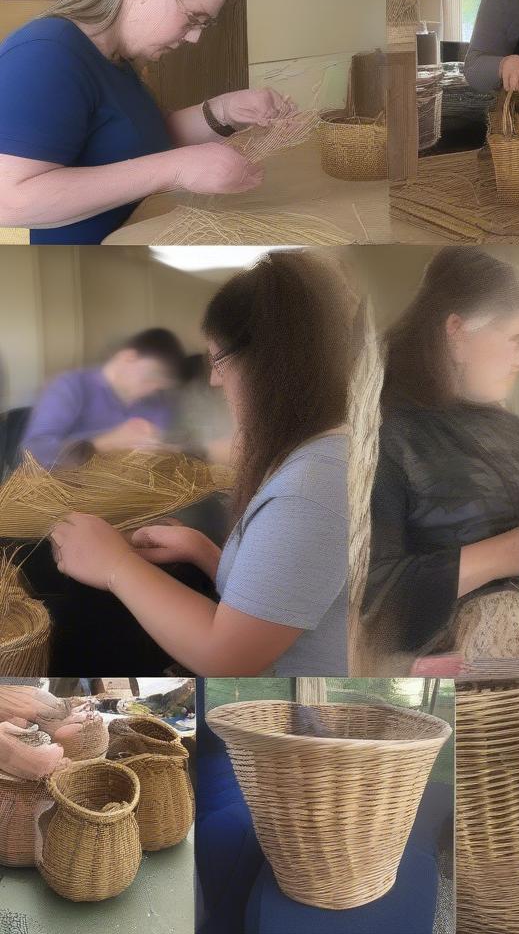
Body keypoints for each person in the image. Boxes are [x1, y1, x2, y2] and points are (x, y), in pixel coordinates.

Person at [47, 252, 355, 677]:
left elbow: (229, 658)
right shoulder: (326, 457)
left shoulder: (313, 485)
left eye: (219, 360)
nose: (214, 379)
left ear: (269, 360)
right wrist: (207, 554)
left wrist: (116, 565)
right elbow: (288, 598)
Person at [362, 247, 519, 660]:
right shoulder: (384, 436)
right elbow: (372, 601)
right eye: (516, 341)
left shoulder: (512, 427)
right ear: (458, 333)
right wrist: (515, 552)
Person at [0, 0, 299, 244]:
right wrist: (175, 169)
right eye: (192, 18)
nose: (194, 38)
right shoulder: (47, 54)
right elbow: (9, 202)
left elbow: (143, 140)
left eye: (203, 24)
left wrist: (225, 110)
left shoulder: (116, 58)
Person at [20, 327, 187, 468]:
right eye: (151, 377)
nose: (152, 389)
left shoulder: (157, 403)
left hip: (131, 495)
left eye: (160, 385)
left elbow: (161, 452)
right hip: (70, 496)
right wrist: (102, 444)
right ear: (128, 357)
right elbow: (34, 452)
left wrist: (166, 452)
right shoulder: (70, 387)